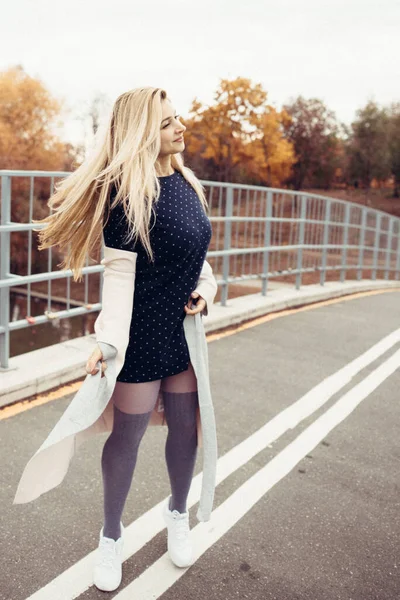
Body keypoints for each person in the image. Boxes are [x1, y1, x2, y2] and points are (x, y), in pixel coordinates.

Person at [30, 87, 216, 592]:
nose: (180, 127)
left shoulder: (188, 183)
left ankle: (178, 514)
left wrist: (204, 291)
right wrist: (107, 343)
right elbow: (117, 279)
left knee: (185, 430)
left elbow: (197, 257)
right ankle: (110, 536)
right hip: (139, 338)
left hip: (182, 336)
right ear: (141, 134)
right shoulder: (125, 198)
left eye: (178, 118)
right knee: (127, 439)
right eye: (166, 123)